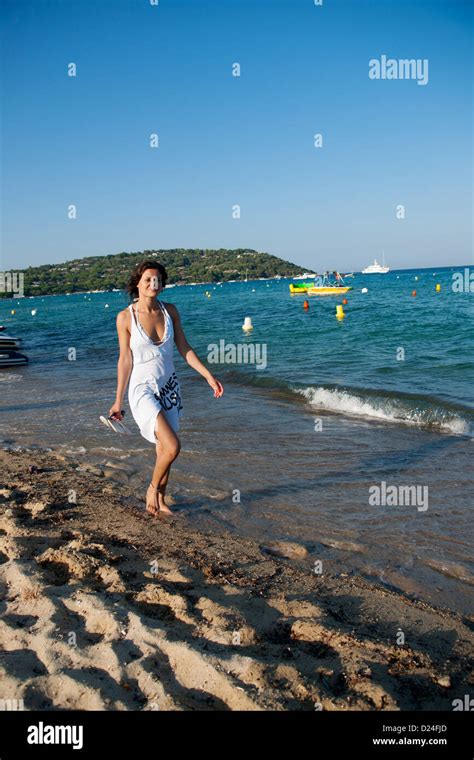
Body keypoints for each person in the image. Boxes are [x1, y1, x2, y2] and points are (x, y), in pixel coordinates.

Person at [109, 260, 224, 516]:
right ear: (137, 282)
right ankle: (152, 488)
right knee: (173, 446)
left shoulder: (169, 311)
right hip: (142, 389)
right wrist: (118, 401)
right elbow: (125, 359)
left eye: (158, 279)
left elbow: (184, 347)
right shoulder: (125, 317)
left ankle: (160, 500)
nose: (154, 283)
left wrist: (208, 376)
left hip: (169, 387)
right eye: (148, 279)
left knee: (163, 449)